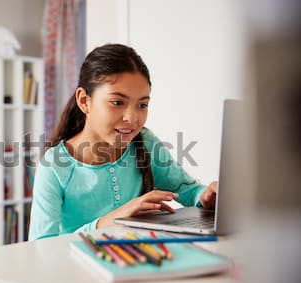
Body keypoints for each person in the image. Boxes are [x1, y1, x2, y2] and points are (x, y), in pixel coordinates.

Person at [28, 43, 217, 241]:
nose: (132, 118)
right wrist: (109, 221)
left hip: (138, 261)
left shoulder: (145, 143)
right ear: (84, 101)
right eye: (117, 102)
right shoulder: (54, 167)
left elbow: (186, 190)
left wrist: (205, 195)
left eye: (142, 105)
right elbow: (41, 247)